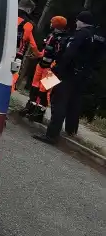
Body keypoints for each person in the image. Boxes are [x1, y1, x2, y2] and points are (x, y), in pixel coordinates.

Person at [35, 10, 98, 144]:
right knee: (67, 101)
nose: (76, 23)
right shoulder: (92, 36)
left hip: (65, 73)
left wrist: (56, 68)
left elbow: (69, 54)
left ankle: (50, 134)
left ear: (82, 21)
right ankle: (66, 130)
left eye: (77, 20)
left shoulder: (80, 35)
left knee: (57, 100)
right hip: (79, 76)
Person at [22, 15, 68, 122]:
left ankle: (39, 113)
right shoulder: (51, 35)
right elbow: (44, 50)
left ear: (56, 24)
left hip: (52, 67)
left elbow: (60, 54)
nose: (50, 24)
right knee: (35, 86)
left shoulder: (63, 39)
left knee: (45, 91)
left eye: (52, 22)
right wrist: (38, 55)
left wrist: (54, 63)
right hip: (42, 63)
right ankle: (30, 107)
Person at [13, 0, 41, 91]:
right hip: (16, 55)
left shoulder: (6, 14)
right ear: (29, 10)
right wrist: (37, 54)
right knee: (12, 77)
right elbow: (34, 44)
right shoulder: (29, 24)